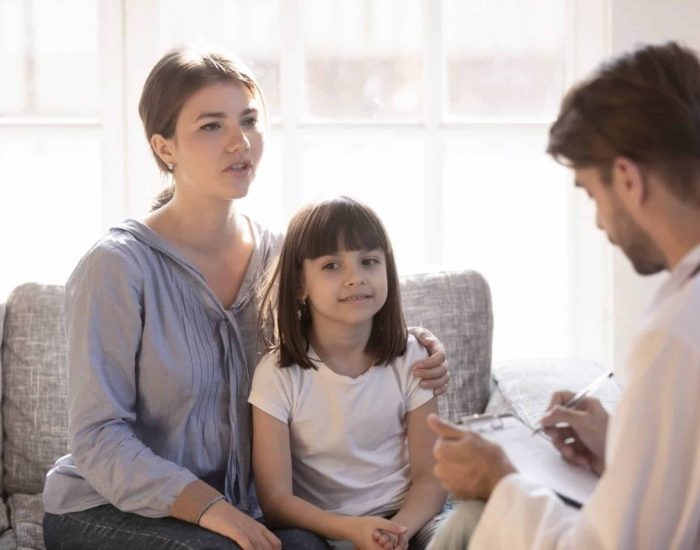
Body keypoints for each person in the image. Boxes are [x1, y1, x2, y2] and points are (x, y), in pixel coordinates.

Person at [41, 47, 449, 550]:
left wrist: (418, 345)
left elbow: (341, 335)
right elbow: (98, 435)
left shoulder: (281, 256)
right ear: (164, 148)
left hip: (240, 506)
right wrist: (209, 508)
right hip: (109, 506)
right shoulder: (117, 267)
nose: (240, 142)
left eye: (249, 120)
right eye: (212, 126)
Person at [427, 41, 700, 549]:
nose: (600, 221)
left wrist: (500, 481)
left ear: (626, 179)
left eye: (592, 194)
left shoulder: (676, 336)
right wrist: (623, 446)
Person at [249, 197, 450, 550]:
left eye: (369, 261)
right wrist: (350, 530)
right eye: (331, 266)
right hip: (320, 527)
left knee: (453, 531)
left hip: (406, 519)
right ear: (300, 285)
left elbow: (431, 482)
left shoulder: (413, 358)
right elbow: (276, 501)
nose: (355, 278)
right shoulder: (276, 374)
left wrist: (394, 534)